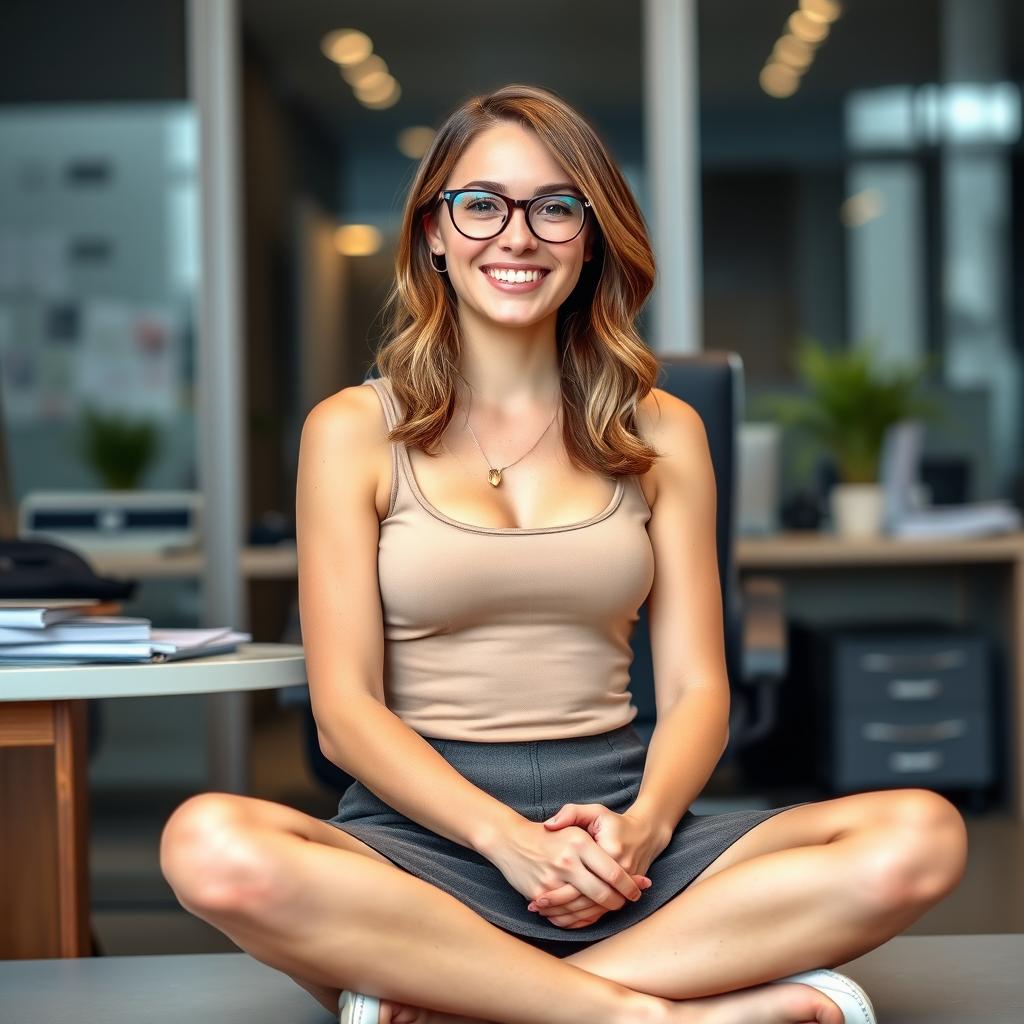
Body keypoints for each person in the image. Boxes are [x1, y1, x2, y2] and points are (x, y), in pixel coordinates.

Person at [159, 84, 968, 1024]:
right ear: (433, 230)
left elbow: (702, 689)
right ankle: (644, 1014)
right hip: (422, 846)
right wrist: (507, 841)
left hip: (622, 834)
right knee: (209, 844)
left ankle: (472, 1001)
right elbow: (342, 714)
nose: (517, 236)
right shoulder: (350, 430)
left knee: (920, 834)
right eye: (480, 204)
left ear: (589, 238)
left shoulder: (665, 430)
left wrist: (642, 830)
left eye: (554, 206)